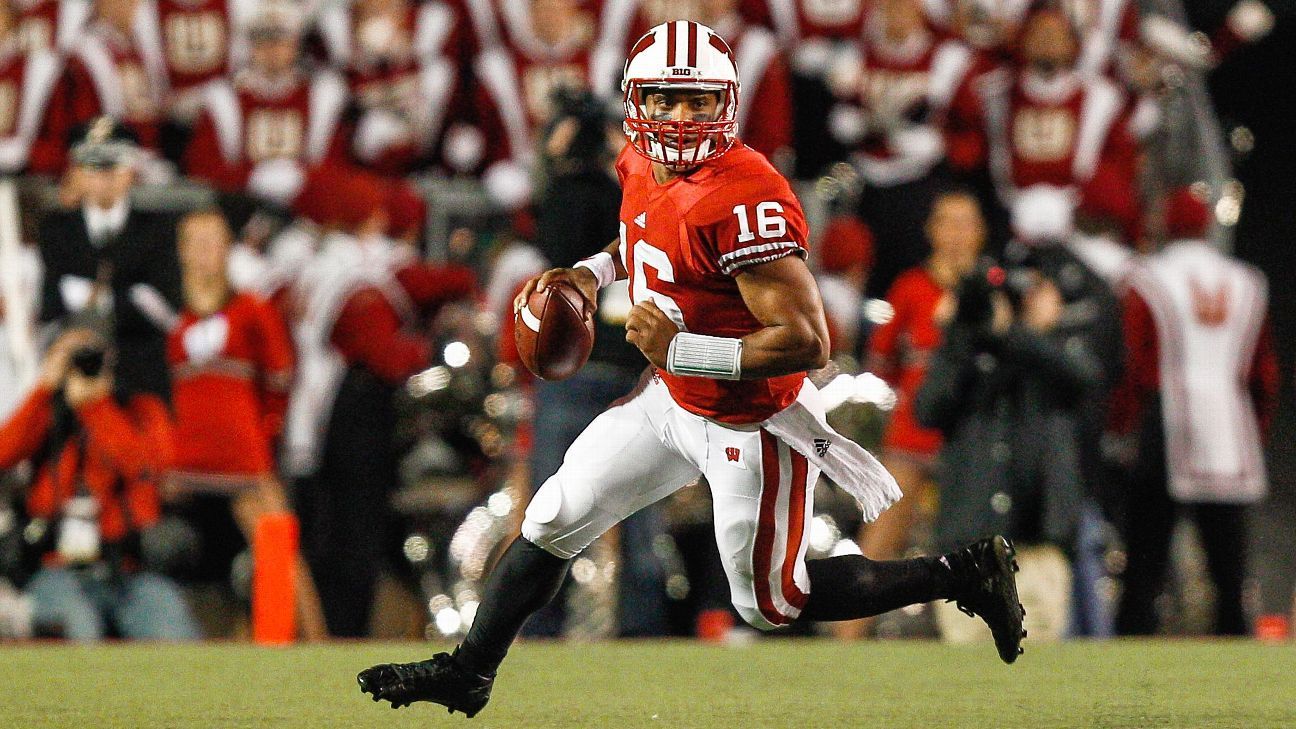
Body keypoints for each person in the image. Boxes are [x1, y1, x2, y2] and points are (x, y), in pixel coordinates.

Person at [358, 21, 1024, 717]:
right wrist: (590, 274)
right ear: (636, 101)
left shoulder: (745, 197)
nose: (679, 118)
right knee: (554, 513)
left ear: (727, 105)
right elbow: (643, 234)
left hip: (753, 416)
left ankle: (965, 573)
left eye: (699, 102)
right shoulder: (640, 161)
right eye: (665, 99)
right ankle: (470, 672)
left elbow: (808, 340)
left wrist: (683, 348)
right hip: (673, 399)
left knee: (772, 600)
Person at [1112, 187, 1279, 636]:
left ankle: (1132, 641)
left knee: (1145, 559)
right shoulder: (1247, 280)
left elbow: (1136, 363)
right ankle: (1235, 644)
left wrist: (1122, 423)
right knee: (1228, 564)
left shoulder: (1147, 276)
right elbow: (1263, 373)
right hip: (1228, 420)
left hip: (1164, 421)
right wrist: (1255, 429)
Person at [165, 209, 327, 640]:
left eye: (214, 241)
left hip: (240, 453)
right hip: (180, 460)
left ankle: (317, 644)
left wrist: (263, 430)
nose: (205, 252)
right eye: (195, 242)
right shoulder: (169, 313)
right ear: (181, 251)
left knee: (277, 544)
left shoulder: (252, 309)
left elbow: (280, 377)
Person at [0, 328, 199, 641]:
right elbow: (4, 452)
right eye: (74, 357)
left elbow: (146, 467)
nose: (84, 366)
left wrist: (96, 406)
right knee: (80, 630)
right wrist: (45, 386)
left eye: (94, 356)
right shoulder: (47, 414)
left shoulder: (141, 411)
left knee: (174, 634)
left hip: (131, 571)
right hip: (57, 569)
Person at [38, 118, 182, 401]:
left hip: (141, 379)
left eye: (114, 164)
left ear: (131, 170)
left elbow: (170, 311)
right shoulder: (56, 229)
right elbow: (49, 310)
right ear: (76, 172)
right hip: (75, 378)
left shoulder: (158, 228)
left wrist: (101, 299)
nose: (105, 176)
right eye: (94, 165)